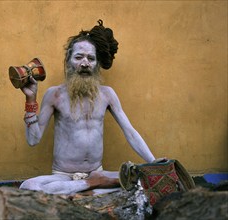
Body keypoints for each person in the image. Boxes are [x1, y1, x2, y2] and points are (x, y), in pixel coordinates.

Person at [19, 20, 156, 195]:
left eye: (91, 58)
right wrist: (30, 99)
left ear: (97, 64)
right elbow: (33, 140)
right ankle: (92, 185)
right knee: (28, 186)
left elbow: (129, 131)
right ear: (68, 60)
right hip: (63, 177)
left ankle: (90, 184)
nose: (85, 63)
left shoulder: (107, 94)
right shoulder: (54, 95)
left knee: (144, 180)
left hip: (97, 172)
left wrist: (153, 162)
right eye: (78, 57)